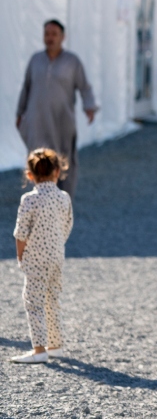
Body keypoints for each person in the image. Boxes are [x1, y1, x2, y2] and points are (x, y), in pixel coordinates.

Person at [16, 19, 98, 194]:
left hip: (62, 122)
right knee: (38, 160)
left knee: (64, 161)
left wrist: (89, 107)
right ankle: (39, 201)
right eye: (47, 34)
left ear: (62, 37)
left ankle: (63, 202)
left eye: (54, 34)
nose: (50, 38)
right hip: (37, 121)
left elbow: (84, 87)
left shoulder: (72, 62)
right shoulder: (36, 60)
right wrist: (19, 112)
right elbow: (26, 87)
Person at [10, 148, 73, 363]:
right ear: (57, 172)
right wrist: (56, 245)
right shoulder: (64, 197)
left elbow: (21, 233)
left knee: (33, 302)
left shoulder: (29, 199)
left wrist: (21, 257)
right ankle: (55, 345)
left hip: (36, 258)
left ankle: (39, 350)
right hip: (57, 255)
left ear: (30, 175)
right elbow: (67, 225)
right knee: (52, 299)